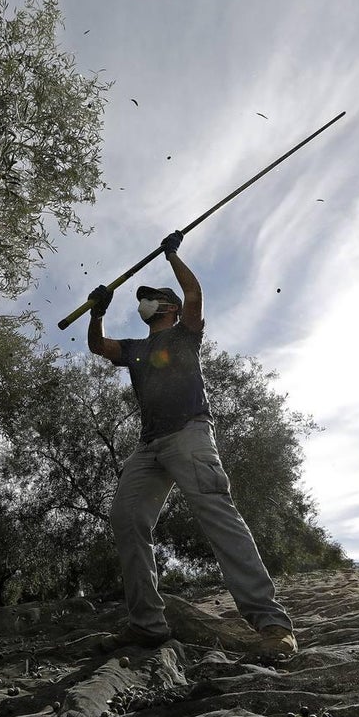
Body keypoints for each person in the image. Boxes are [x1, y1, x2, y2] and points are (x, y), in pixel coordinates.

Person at [86, 230, 297, 659]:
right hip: (149, 446)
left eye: (152, 297)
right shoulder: (136, 348)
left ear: (169, 307)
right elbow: (97, 346)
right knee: (126, 519)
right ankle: (147, 624)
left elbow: (194, 291)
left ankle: (272, 624)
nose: (144, 302)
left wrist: (172, 256)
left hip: (190, 433)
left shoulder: (185, 333)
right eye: (142, 298)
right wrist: (97, 312)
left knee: (218, 516)